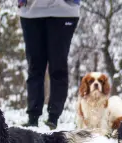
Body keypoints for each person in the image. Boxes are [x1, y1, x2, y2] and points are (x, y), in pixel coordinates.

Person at [19, 0, 80, 129]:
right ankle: (33, 117)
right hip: (31, 12)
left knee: (58, 66)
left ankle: (53, 117)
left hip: (64, 11)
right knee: (35, 66)